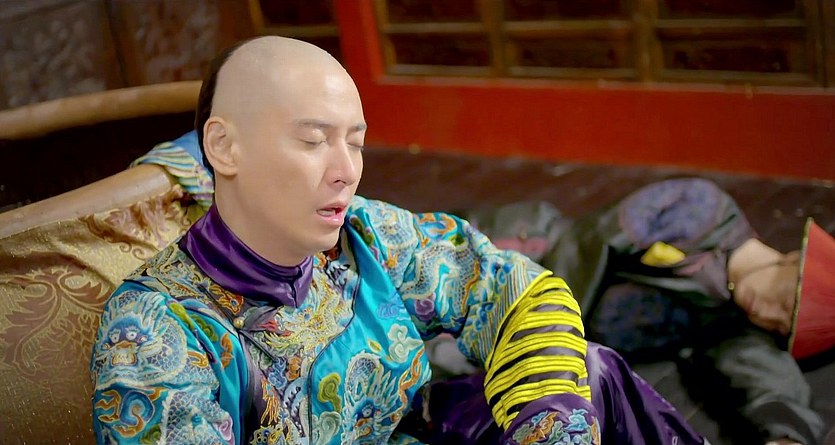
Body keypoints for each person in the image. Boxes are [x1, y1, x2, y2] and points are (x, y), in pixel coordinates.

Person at [89, 37, 709, 444]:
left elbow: (509, 287)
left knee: (592, 374)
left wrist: (549, 426)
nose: (346, 170)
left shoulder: (366, 234)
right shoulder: (155, 332)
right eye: (313, 141)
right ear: (224, 147)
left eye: (355, 142)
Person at [447, 179, 834, 445]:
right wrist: (542, 337)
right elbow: (591, 241)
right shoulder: (704, 209)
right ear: (793, 260)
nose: (767, 313)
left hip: (534, 343)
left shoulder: (732, 320)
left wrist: (786, 434)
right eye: (786, 302)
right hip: (525, 256)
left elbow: (763, 373)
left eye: (782, 326)